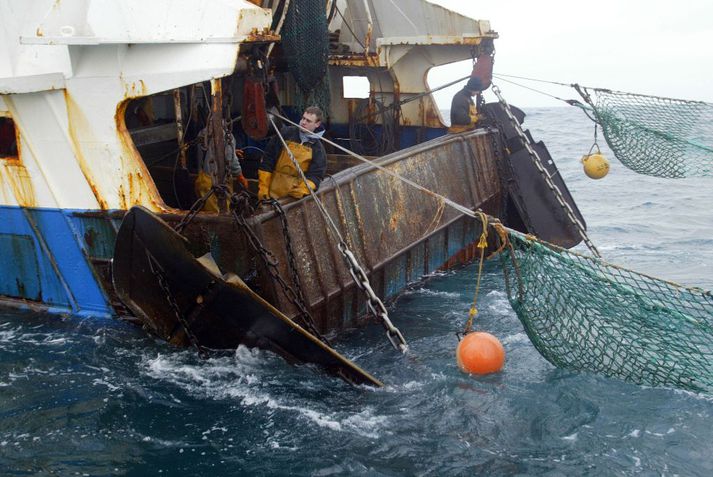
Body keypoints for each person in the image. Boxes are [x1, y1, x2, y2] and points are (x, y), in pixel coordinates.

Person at [258, 106, 327, 200]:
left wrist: (301, 191)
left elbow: (315, 175)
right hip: (271, 191)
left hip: (293, 198)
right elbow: (268, 158)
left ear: (317, 124)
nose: (303, 122)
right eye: (303, 118)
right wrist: (263, 187)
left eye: (308, 121)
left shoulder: (318, 149)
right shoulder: (285, 133)